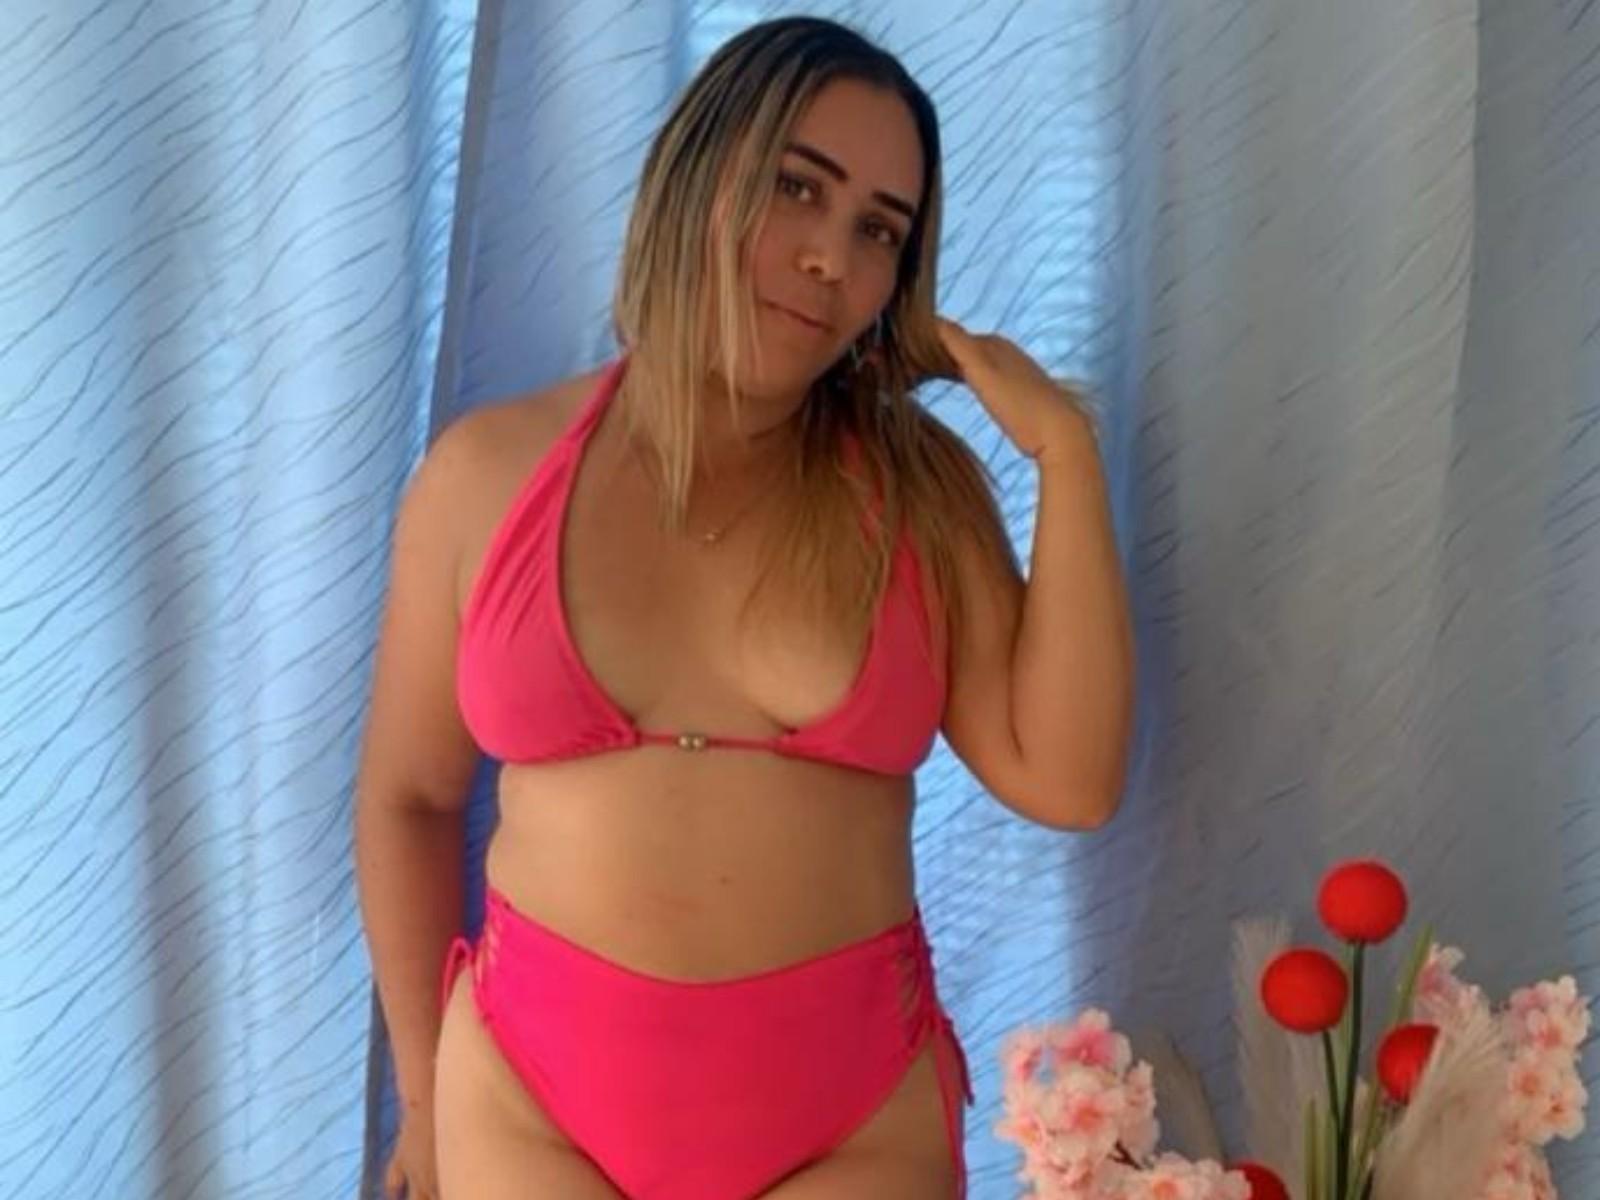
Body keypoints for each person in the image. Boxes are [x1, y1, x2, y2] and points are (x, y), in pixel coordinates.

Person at [354, 15, 1135, 1200]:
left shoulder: (917, 494)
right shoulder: (482, 475)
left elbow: (1068, 781)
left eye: (878, 229)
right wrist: (421, 1101)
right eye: (796, 188)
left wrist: (1063, 453)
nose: (831, 257)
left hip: (848, 1128)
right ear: (698, 174)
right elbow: (408, 797)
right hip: (526, 1107)